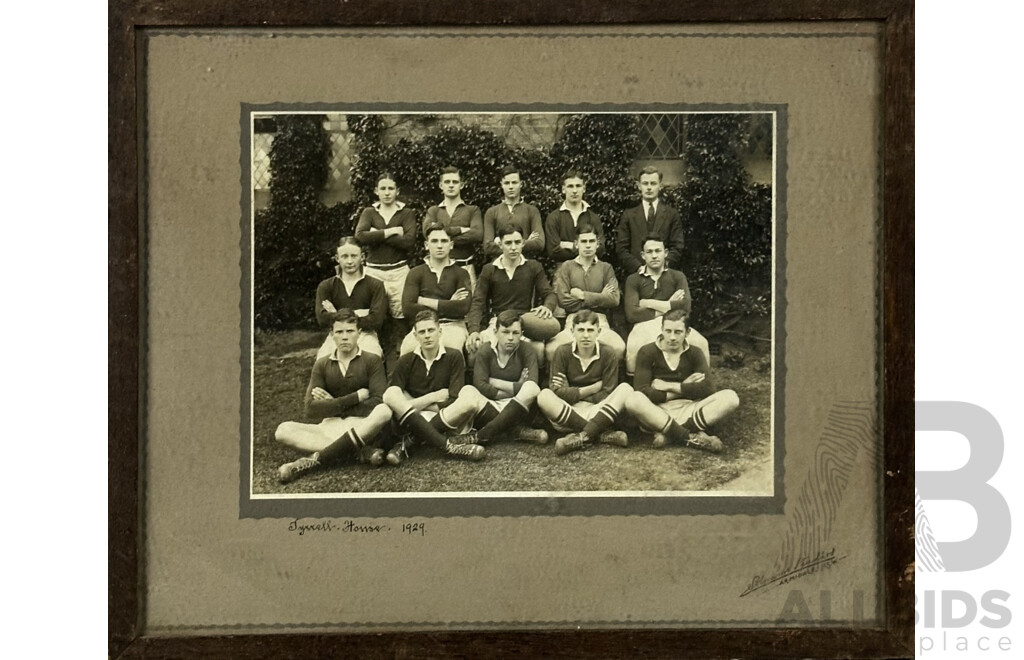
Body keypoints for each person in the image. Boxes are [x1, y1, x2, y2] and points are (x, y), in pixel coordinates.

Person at [274, 310, 393, 483]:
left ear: (359, 333)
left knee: (384, 411)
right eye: (339, 332)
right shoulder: (322, 364)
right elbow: (310, 409)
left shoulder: (372, 360)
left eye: (350, 331)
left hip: (362, 425)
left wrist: (332, 404)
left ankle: (310, 461)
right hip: (329, 427)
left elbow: (377, 401)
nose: (345, 337)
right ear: (331, 335)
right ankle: (359, 452)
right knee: (282, 430)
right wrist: (354, 398)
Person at [625, 309, 739, 453]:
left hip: (688, 409)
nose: (672, 337)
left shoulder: (695, 352)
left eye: (678, 332)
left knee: (731, 397)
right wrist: (685, 387)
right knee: (633, 399)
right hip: (657, 412)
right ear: (661, 330)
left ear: (687, 332)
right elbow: (642, 390)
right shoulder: (647, 352)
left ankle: (671, 434)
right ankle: (689, 436)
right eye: (668, 331)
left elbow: (708, 388)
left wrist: (669, 386)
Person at [382, 310, 486, 464]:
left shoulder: (454, 356)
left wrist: (412, 405)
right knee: (390, 393)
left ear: (440, 331)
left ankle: (409, 442)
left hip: (444, 416)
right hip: (417, 416)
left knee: (467, 402)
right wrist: (432, 397)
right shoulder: (406, 360)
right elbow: (395, 398)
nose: (427, 335)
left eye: (431, 330)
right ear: (416, 336)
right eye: (422, 332)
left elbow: (453, 399)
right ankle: (449, 446)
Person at [430, 311, 548, 446]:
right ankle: (515, 430)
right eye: (505, 332)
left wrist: (493, 381)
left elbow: (532, 383)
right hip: (491, 407)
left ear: (522, 334)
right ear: (495, 332)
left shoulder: (527, 349)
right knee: (468, 390)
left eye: (515, 333)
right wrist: (516, 386)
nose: (510, 338)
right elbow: (480, 386)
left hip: (520, 408)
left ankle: (482, 435)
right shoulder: (486, 350)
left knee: (532, 388)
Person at [536, 310, 634, 455]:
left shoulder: (608, 353)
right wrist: (591, 388)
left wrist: (571, 391)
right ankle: (599, 434)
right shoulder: (562, 352)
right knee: (544, 395)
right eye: (581, 330)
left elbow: (606, 393)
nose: (586, 335)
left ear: (598, 331)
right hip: (568, 414)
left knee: (626, 389)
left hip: (598, 411)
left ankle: (582, 436)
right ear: (572, 331)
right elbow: (557, 392)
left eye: (590, 330)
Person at [466, 226, 560, 367]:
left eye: (517, 242)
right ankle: (481, 385)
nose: (513, 247)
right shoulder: (489, 269)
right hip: (497, 322)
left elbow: (549, 294)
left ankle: (535, 385)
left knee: (538, 350)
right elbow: (478, 302)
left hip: (525, 323)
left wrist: (547, 307)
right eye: (508, 243)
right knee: (475, 349)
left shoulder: (533, 266)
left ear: (523, 243)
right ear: (500, 244)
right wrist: (474, 330)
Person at [623, 235, 710, 374]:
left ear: (666, 253)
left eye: (658, 251)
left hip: (675, 323)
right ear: (643, 255)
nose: (654, 255)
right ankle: (636, 385)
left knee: (701, 342)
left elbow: (686, 307)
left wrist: (648, 302)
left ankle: (702, 383)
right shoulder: (633, 280)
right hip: (644, 324)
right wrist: (671, 304)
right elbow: (632, 314)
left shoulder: (677, 276)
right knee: (635, 345)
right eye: (649, 252)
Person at [546, 222, 624, 363]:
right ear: (576, 244)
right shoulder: (567, 267)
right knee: (551, 349)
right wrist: (601, 296)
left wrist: (582, 295)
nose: (588, 245)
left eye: (591, 241)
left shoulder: (606, 268)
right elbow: (563, 301)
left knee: (618, 347)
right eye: (584, 241)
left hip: (600, 321)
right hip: (573, 322)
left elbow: (614, 299)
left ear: (597, 243)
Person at [398, 223, 472, 354]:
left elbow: (463, 307)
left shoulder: (461, 273)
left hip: (453, 325)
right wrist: (449, 303)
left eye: (444, 241)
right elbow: (408, 309)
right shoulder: (416, 272)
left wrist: (424, 301)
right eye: (434, 241)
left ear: (451, 245)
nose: (439, 246)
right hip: (423, 325)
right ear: (427, 245)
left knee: (450, 348)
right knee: (407, 348)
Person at [354, 172, 419, 322]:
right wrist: (392, 231)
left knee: (402, 314)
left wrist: (376, 234)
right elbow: (361, 236)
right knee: (374, 314)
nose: (387, 192)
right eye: (383, 188)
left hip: (399, 271)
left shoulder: (406, 213)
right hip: (374, 271)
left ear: (398, 191)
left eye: (391, 188)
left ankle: (400, 345)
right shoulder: (369, 212)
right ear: (376, 191)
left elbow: (409, 242)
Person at [314, 237, 386, 359]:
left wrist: (337, 314)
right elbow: (322, 319)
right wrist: (360, 315)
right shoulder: (326, 286)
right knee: (323, 360)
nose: (349, 261)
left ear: (362, 257)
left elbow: (376, 320)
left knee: (371, 357)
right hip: (336, 335)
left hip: (365, 335)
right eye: (344, 256)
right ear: (337, 259)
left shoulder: (375, 285)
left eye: (354, 256)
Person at [615, 166, 685, 273]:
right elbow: (621, 248)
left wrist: (662, 266)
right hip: (637, 276)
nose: (649, 187)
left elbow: (677, 246)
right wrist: (639, 268)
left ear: (660, 186)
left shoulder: (672, 214)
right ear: (639, 186)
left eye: (653, 183)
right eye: (645, 183)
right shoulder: (628, 215)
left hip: (664, 275)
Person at [423, 166, 483, 288]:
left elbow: (477, 234)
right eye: (447, 182)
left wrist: (442, 236)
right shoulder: (434, 211)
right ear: (441, 185)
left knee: (469, 305)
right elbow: (428, 232)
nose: (451, 185)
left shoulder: (472, 210)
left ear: (461, 185)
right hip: (438, 269)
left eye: (455, 182)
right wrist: (460, 230)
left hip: (465, 267)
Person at [483, 165, 545, 260]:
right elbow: (487, 247)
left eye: (514, 182)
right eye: (507, 183)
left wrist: (501, 243)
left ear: (521, 184)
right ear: (501, 184)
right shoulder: (492, 212)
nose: (511, 187)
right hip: (500, 267)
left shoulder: (532, 211)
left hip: (525, 266)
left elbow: (539, 243)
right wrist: (525, 241)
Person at [545, 169, 605, 263]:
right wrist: (586, 249)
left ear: (584, 189)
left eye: (578, 186)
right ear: (563, 189)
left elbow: (601, 249)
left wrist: (569, 245)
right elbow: (553, 251)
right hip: (563, 271)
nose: (574, 191)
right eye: (570, 186)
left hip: (589, 268)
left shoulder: (593, 217)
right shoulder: (554, 217)